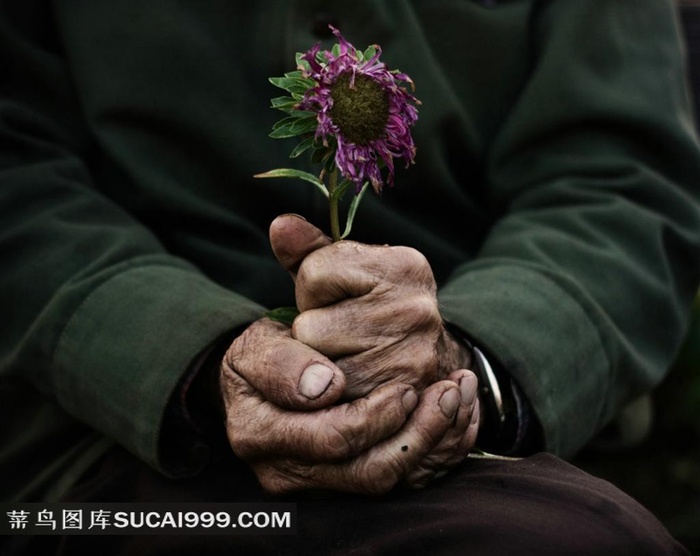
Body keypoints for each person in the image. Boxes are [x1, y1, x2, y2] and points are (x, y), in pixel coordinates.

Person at [1, 0, 698, 554]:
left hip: (468, 451)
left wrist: (462, 365)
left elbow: (618, 185)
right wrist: (200, 363)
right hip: (100, 445)